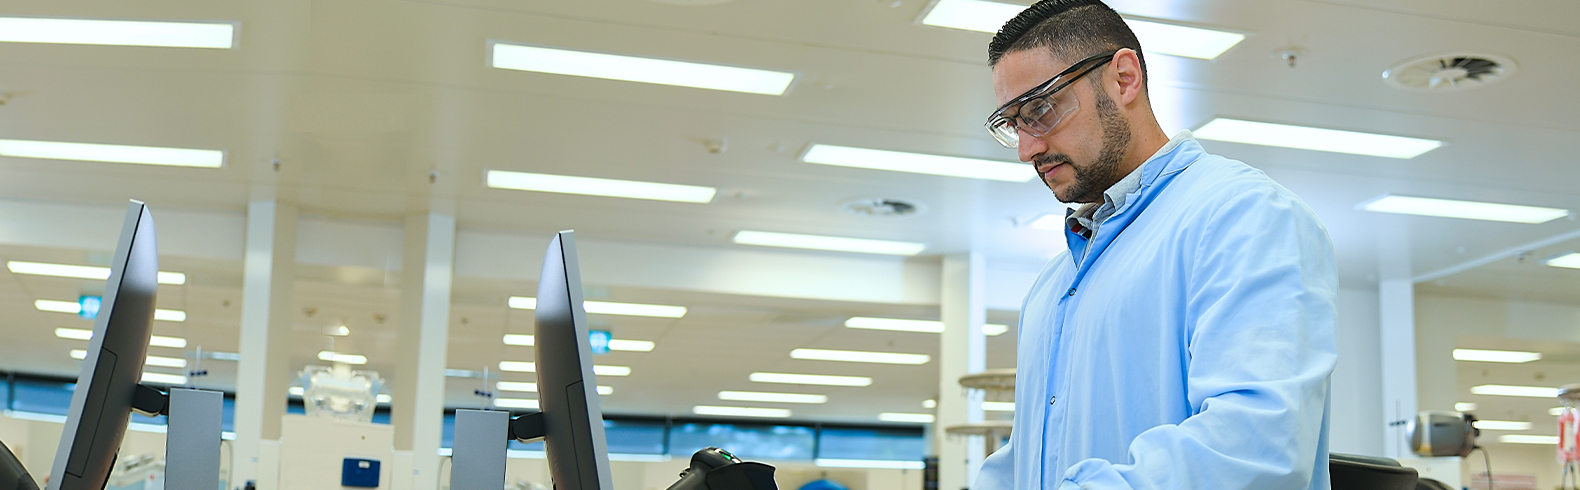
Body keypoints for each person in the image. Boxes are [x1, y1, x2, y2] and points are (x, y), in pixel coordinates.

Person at [971, 1, 1339, 489]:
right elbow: (1033, 457)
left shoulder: (1242, 217)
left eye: (1040, 109)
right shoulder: (1053, 285)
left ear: (1123, 78)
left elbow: (1256, 446)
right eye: (1013, 124)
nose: (1027, 148)